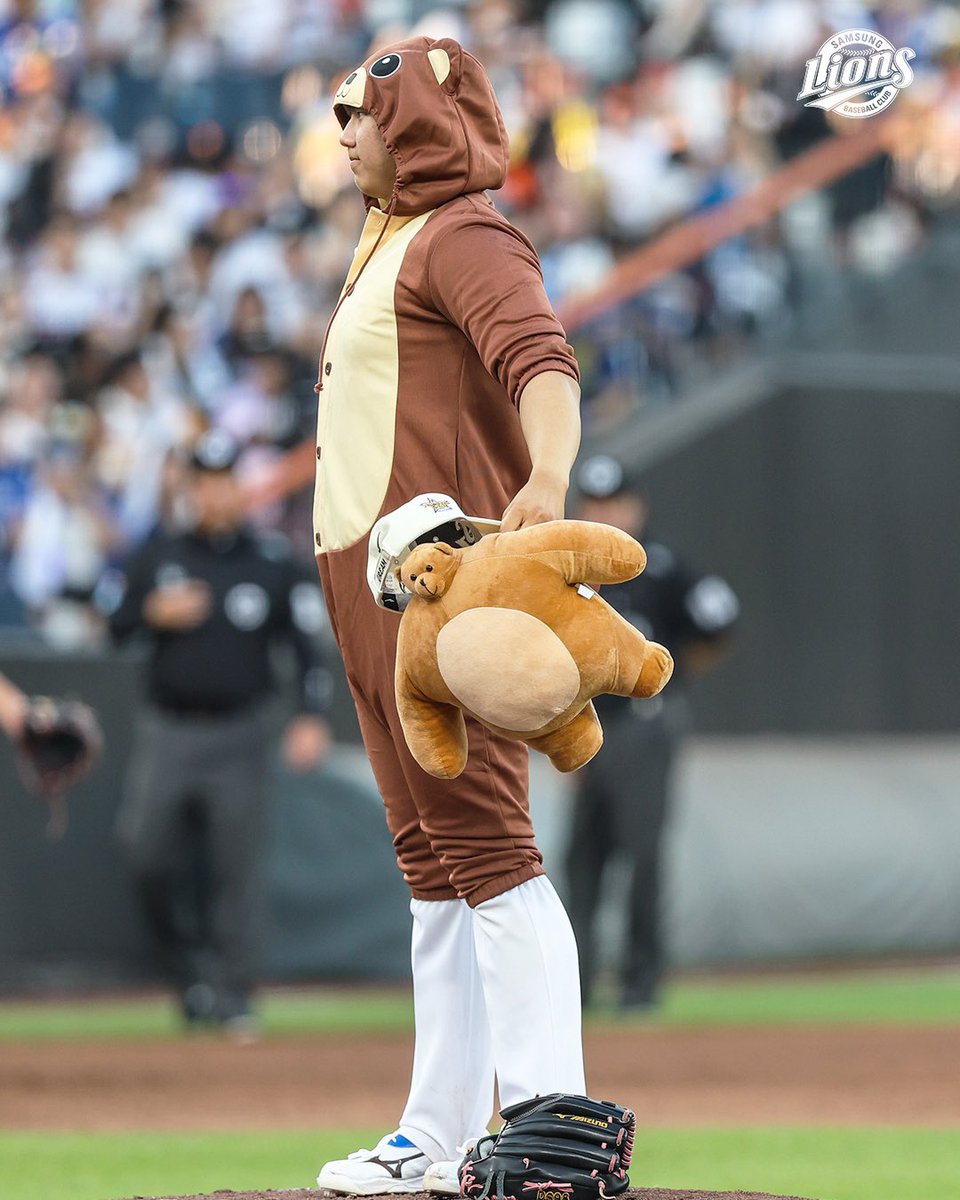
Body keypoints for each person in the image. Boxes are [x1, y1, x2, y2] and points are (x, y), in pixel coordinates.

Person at [313, 35, 585, 1197]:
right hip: (370, 588)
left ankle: (550, 1123)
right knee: (433, 866)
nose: (343, 131)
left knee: (491, 851)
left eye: (361, 112)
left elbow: (542, 363)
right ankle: (436, 1135)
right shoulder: (390, 236)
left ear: (418, 122)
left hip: (440, 587)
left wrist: (550, 476)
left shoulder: (463, 232)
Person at [110, 429, 333, 1036]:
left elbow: (306, 647)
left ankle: (234, 993)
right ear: (190, 489)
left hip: (240, 732)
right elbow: (114, 625)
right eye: (204, 483)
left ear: (239, 487)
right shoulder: (160, 552)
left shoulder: (270, 560)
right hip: (170, 730)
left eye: (224, 481)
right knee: (146, 855)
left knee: (237, 868)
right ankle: (190, 976)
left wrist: (311, 715)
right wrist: (150, 612)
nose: (214, 494)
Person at [564, 454, 740, 1012]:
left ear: (636, 506)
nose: (605, 515)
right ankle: (576, 987)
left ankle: (641, 983)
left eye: (614, 503)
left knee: (642, 855)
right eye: (594, 504)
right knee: (581, 859)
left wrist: (676, 675)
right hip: (587, 729)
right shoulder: (569, 572)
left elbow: (719, 620)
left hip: (643, 726)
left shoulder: (661, 566)